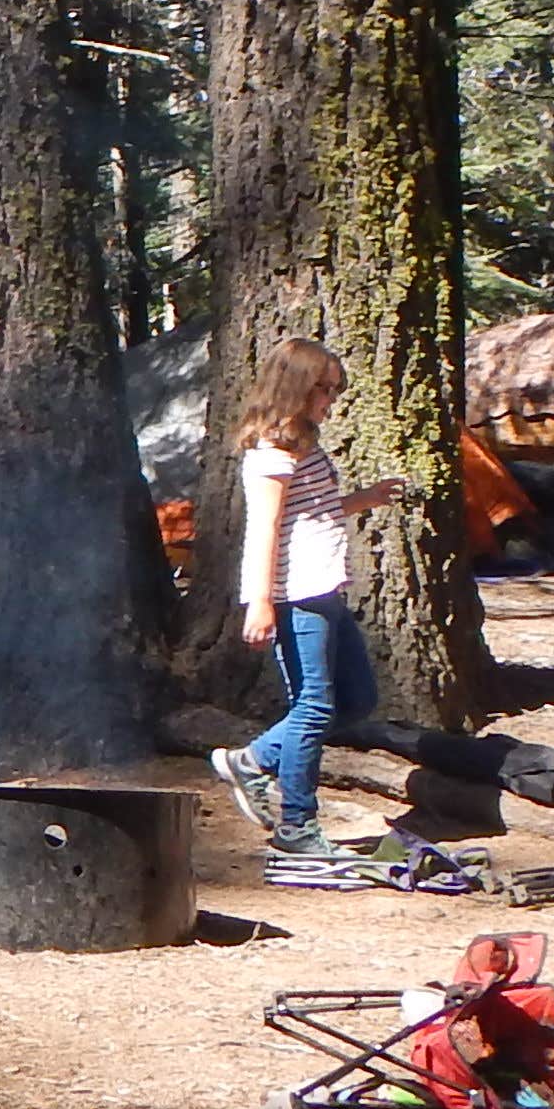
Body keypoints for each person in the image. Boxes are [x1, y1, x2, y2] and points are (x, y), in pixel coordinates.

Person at [208, 337, 415, 854]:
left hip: (325, 588)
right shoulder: (270, 455)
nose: (331, 400)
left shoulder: (303, 444)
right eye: (323, 389)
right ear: (294, 387)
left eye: (335, 389)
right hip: (295, 595)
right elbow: (266, 529)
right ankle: (297, 826)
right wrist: (258, 601)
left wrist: (362, 500)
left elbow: (311, 512)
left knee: (357, 700)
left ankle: (251, 761)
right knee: (314, 707)